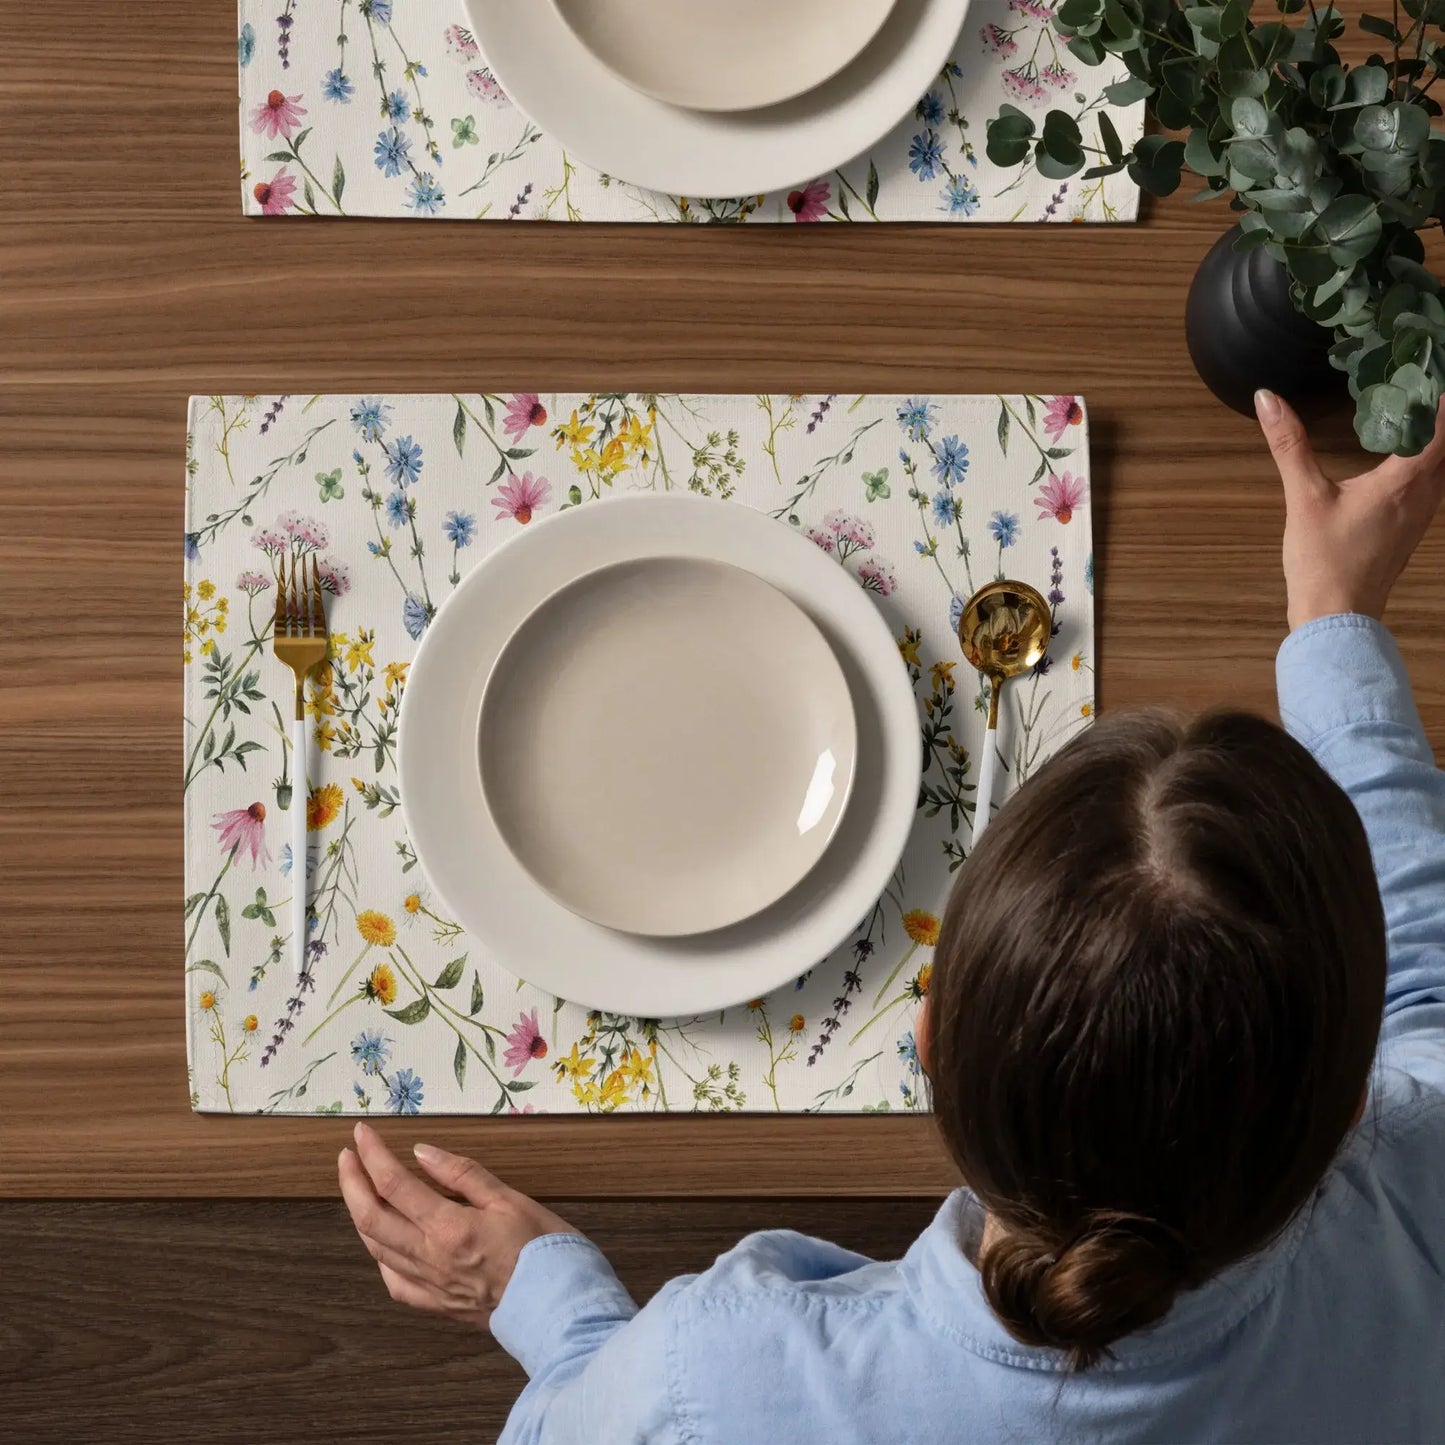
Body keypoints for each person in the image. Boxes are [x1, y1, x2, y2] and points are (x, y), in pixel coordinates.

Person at [338, 391, 1445, 1444]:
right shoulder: (1418, 1192)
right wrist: (1333, 620)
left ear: (927, 1045)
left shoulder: (711, 1381)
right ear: (1353, 1102)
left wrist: (555, 1311)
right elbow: (1425, 985)